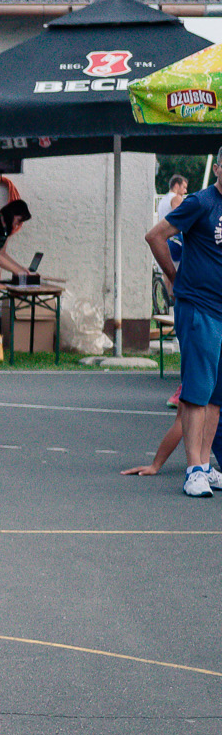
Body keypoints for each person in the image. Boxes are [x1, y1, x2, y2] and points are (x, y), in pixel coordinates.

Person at [144, 147, 222, 498]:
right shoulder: (200, 202)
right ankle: (193, 470)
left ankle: (206, 466)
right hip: (199, 306)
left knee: (217, 395)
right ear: (218, 168)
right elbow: (155, 236)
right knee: (196, 393)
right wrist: (173, 277)